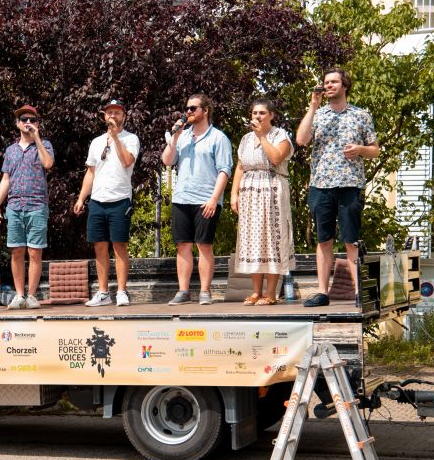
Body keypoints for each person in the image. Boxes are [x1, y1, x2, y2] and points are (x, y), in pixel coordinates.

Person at [296, 68, 379, 307]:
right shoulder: (318, 114)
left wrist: (361, 150)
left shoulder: (361, 115)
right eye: (326, 82)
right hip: (321, 185)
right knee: (324, 240)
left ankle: (357, 292)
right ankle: (322, 292)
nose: (328, 85)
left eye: (333, 82)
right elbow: (301, 140)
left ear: (344, 86)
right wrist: (312, 106)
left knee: (351, 240)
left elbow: (375, 149)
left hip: (350, 184)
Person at [162, 94, 233, 306]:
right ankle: (183, 291)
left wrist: (214, 199)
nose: (189, 112)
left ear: (205, 110)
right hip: (182, 198)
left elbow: (224, 170)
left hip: (205, 200)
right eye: (187, 109)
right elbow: (167, 160)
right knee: (182, 245)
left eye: (193, 108)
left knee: (204, 245)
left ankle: (205, 291)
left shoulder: (218, 138)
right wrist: (174, 137)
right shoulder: (182, 137)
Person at [73, 99, 140, 306]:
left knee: (119, 246)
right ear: (104, 117)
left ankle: (121, 291)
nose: (113, 116)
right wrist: (81, 198)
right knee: (99, 247)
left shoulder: (131, 138)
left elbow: (127, 161)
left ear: (124, 116)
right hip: (97, 201)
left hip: (119, 200)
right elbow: (91, 172)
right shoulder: (96, 142)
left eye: (117, 113)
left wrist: (115, 139)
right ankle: (103, 293)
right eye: (109, 113)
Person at [230, 99, 296, 305]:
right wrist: (234, 194)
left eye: (262, 113)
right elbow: (240, 167)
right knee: (253, 240)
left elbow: (276, 158)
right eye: (254, 113)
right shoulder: (245, 139)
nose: (257, 116)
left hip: (272, 190)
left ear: (271, 115)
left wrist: (262, 136)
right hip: (249, 193)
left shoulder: (280, 135)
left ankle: (271, 293)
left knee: (270, 239)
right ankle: (256, 292)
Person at [0, 104, 55, 309]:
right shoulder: (10, 150)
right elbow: (6, 179)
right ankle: (19, 295)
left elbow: (48, 164)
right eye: (23, 119)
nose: (28, 123)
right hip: (14, 206)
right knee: (16, 251)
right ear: (17, 124)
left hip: (37, 205)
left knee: (35, 251)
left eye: (32, 119)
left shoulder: (44, 144)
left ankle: (31, 296)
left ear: (38, 123)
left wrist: (36, 138)